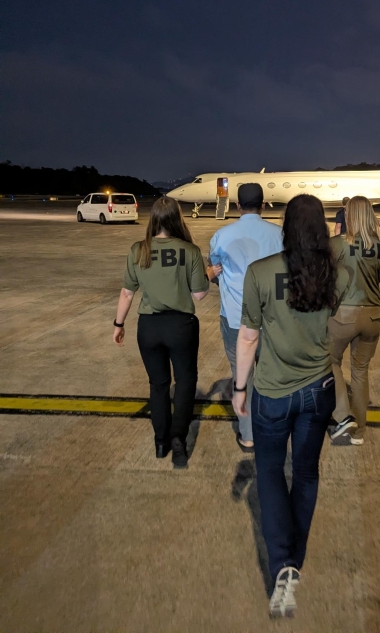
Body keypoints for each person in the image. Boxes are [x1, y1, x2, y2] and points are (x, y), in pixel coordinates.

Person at [234, 194, 349, 618]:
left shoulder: (260, 272)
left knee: (269, 472)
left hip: (273, 391)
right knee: (305, 473)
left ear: (286, 226)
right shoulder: (335, 273)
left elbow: (248, 337)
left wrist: (240, 388)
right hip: (318, 388)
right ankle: (294, 559)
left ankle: (282, 561)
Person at [113, 196, 209, 469]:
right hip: (181, 326)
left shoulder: (138, 250)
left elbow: (127, 293)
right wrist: (208, 275)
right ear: (177, 218)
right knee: (185, 381)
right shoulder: (189, 250)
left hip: (149, 328)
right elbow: (199, 294)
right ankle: (178, 436)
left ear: (154, 219)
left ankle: (160, 442)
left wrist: (118, 324)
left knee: (158, 384)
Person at [207, 182, 282, 453]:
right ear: (263, 205)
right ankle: (273, 428)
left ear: (238, 206)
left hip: (235, 319)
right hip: (272, 318)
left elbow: (214, 270)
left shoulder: (221, 235)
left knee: (243, 376)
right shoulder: (279, 234)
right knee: (271, 376)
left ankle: (248, 435)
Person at [329, 195, 380, 446]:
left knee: (329, 362)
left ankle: (343, 416)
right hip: (372, 316)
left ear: (350, 216)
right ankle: (359, 432)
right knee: (360, 372)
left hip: (342, 316)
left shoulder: (336, 244)